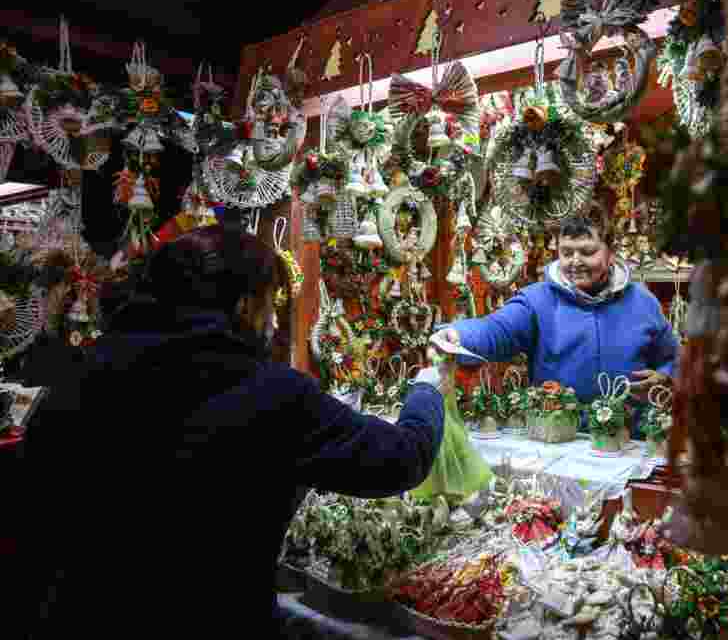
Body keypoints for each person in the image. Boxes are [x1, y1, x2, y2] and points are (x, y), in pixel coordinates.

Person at [14, 222, 446, 639]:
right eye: (270, 303)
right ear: (244, 306)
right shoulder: (271, 394)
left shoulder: (76, 382)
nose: (274, 321)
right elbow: (400, 458)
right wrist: (427, 387)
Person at [433, 208, 679, 435]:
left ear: (610, 252)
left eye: (587, 252)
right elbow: (496, 329)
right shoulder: (537, 300)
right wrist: (458, 334)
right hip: (558, 438)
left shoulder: (643, 302)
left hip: (631, 441)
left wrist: (666, 377)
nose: (575, 261)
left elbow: (673, 357)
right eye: (566, 252)